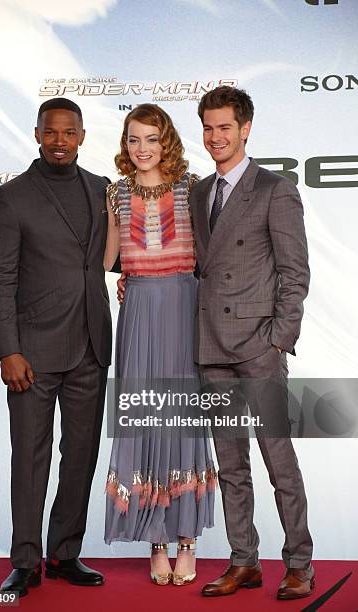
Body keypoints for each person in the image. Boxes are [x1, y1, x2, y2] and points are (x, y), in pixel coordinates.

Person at [189, 86, 314, 601]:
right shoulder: (199, 193)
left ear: (245, 129)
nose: (215, 137)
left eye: (225, 127)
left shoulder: (274, 189)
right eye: (208, 127)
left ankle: (300, 563)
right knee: (230, 464)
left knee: (277, 460)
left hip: (258, 347)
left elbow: (294, 272)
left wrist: (278, 341)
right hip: (212, 347)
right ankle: (244, 561)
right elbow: (200, 265)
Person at [0, 98, 112, 597]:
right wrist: (7, 350)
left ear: (81, 136)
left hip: (90, 346)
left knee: (79, 456)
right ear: (37, 134)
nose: (60, 140)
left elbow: (112, 257)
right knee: (30, 459)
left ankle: (64, 554)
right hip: (31, 353)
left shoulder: (102, 190)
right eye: (51, 132)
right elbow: (1, 281)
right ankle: (25, 560)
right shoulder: (11, 197)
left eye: (70, 132)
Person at [104, 104, 216, 586]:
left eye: (151, 138)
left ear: (166, 140)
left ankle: (187, 539)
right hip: (139, 314)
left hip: (183, 307)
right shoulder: (115, 192)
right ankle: (156, 541)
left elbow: (211, 253)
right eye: (134, 139)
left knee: (183, 421)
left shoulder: (192, 188)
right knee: (146, 420)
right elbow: (107, 259)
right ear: (125, 144)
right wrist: (115, 281)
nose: (142, 148)